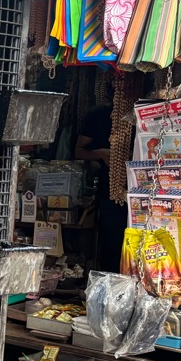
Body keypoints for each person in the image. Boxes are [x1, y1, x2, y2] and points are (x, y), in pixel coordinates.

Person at [76, 100, 122, 272]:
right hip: (110, 192)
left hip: (142, 190)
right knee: (111, 242)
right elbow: (78, 151)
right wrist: (101, 154)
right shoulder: (98, 115)